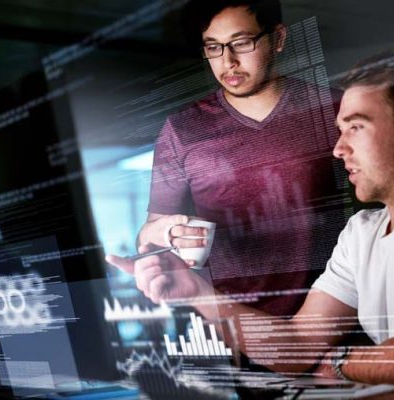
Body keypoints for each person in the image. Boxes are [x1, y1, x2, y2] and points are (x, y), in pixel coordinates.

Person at [108, 60, 394, 387]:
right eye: (339, 131)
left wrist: (338, 364)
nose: (339, 148)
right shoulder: (363, 232)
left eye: (356, 127)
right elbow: (296, 344)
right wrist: (194, 291)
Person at [136, 0, 346, 316]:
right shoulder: (182, 129)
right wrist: (159, 235)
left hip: (328, 319)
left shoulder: (333, 109)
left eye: (241, 43)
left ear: (278, 39)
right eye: (214, 48)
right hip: (229, 324)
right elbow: (152, 231)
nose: (228, 61)